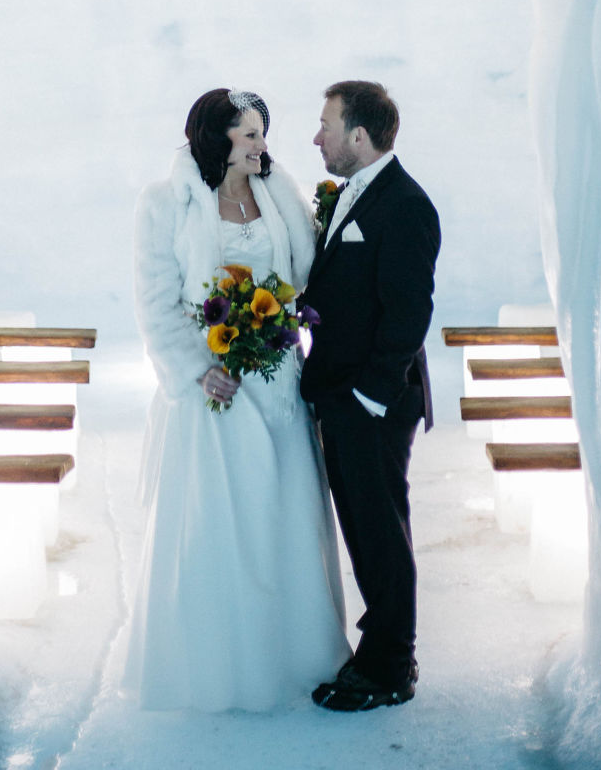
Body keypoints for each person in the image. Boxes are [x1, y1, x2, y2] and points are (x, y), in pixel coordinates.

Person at [120, 87, 350, 711]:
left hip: (277, 382)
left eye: (261, 133)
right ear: (215, 137)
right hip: (211, 390)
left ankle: (295, 654)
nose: (261, 145)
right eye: (249, 134)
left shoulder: (278, 192)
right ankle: (221, 666)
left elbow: (303, 274)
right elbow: (155, 302)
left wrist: (276, 325)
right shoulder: (164, 204)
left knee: (284, 512)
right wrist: (197, 368)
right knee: (222, 524)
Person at [300, 80, 441, 712]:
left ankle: (389, 666)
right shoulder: (355, 196)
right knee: (367, 528)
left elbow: (409, 314)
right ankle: (383, 654)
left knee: (380, 533)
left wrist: (369, 398)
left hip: (372, 403)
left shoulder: (405, 205)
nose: (317, 136)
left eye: (326, 124)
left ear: (360, 135)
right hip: (345, 395)